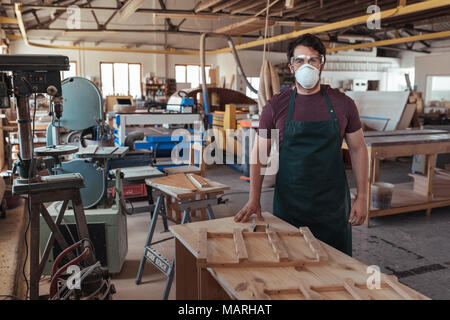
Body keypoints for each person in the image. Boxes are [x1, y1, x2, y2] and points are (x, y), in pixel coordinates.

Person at [234, 33, 369, 256]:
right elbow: (259, 153)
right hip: (290, 207)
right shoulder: (276, 106)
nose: (306, 65)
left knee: (337, 267)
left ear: (322, 64)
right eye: (300, 60)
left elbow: (358, 149)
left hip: (333, 208)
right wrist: (253, 198)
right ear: (291, 67)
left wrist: (362, 197)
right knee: (291, 266)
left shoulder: (343, 104)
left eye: (313, 60)